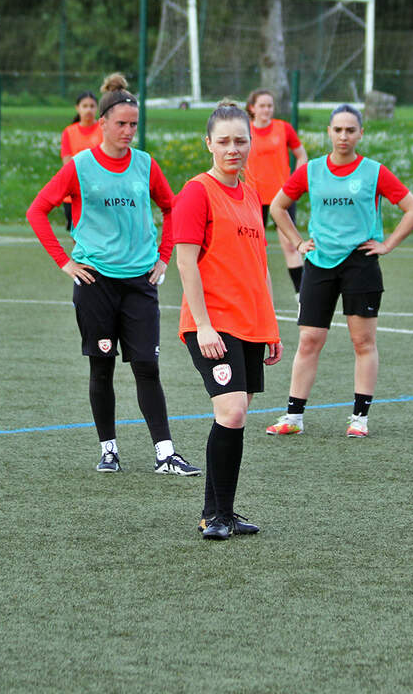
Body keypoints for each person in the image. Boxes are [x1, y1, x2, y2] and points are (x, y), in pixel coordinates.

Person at [27, 73, 199, 477]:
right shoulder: (80, 167)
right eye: (121, 123)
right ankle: (109, 450)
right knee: (101, 368)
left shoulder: (145, 164)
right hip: (95, 284)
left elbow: (172, 207)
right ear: (101, 122)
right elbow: (38, 210)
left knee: (147, 367)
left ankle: (165, 454)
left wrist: (163, 256)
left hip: (140, 282)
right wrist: (65, 262)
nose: (128, 131)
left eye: (134, 124)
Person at [264, 104, 413, 438]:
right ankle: (293, 417)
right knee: (309, 340)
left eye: (350, 130)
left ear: (360, 134)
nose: (343, 136)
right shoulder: (312, 170)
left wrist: (387, 244)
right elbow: (278, 206)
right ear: (329, 132)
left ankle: (359, 419)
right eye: (337, 130)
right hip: (320, 264)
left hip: (360, 265)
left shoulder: (373, 171)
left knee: (362, 341)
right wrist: (297, 241)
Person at [174, 101, 283, 540]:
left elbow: (261, 266)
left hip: (251, 324)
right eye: (224, 141)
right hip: (213, 324)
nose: (232, 148)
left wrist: (271, 326)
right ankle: (214, 514)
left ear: (250, 142)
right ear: (209, 144)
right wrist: (202, 326)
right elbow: (185, 263)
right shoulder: (197, 191)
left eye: (240, 140)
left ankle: (220, 512)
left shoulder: (252, 193)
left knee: (234, 418)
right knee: (233, 410)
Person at [243, 89, 308, 294]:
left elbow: (301, 156)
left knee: (290, 246)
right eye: (262, 105)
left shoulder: (283, 128)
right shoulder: (245, 131)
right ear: (252, 108)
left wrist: (294, 183)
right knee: (254, 249)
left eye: (270, 105)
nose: (267, 110)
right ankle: (258, 292)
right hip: (253, 197)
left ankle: (302, 296)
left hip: (282, 198)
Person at [59, 90, 102, 229]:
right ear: (77, 108)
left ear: (97, 108)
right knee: (77, 236)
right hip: (75, 193)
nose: (88, 110)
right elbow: (68, 163)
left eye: (92, 106)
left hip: (98, 191)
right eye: (84, 106)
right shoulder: (69, 132)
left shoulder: (104, 130)